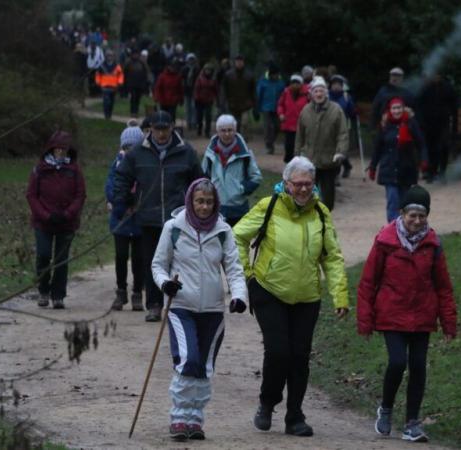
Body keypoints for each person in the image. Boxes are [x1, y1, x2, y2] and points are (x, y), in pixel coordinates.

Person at [233, 156, 349, 437]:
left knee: (300, 357)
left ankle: (295, 416)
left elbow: (331, 257)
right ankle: (267, 401)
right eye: (298, 184)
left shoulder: (321, 213)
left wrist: (340, 295)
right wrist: (246, 276)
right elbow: (236, 236)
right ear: (286, 184)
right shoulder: (268, 207)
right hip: (269, 290)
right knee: (278, 352)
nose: (304, 190)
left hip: (307, 296)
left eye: (309, 184)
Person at [356, 185, 457, 443]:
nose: (416, 220)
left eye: (422, 216)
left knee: (419, 366)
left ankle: (412, 421)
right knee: (398, 362)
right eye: (412, 215)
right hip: (391, 313)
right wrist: (365, 319)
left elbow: (443, 286)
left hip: (422, 315)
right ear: (402, 214)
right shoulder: (385, 242)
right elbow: (368, 281)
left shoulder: (433, 245)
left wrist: (448, 321)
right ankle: (386, 408)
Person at [152, 178, 248, 442]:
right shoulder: (173, 228)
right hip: (180, 306)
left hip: (213, 310)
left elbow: (234, 268)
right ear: (190, 201)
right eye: (199, 201)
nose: (204, 207)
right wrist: (165, 284)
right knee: (189, 359)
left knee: (204, 365)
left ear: (215, 203)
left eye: (209, 202)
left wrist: (239, 296)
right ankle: (179, 418)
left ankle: (195, 420)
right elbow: (158, 265)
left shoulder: (223, 230)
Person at [113, 111, 203, 322]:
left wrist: (196, 208)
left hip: (178, 218)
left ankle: (181, 306)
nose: (161, 134)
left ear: (172, 127)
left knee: (181, 262)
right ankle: (154, 304)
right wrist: (126, 201)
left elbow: (198, 181)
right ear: (150, 129)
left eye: (165, 128)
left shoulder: (186, 152)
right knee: (153, 262)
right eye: (157, 129)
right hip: (148, 217)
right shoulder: (137, 153)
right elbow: (122, 177)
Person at [26, 131, 86, 309]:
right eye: (57, 149)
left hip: (66, 222)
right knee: (43, 255)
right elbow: (31, 195)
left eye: (64, 149)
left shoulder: (74, 170)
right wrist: (45, 215)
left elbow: (80, 195)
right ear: (51, 150)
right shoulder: (39, 169)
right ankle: (43, 290)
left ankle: (58, 294)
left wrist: (68, 214)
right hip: (43, 221)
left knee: (61, 259)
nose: (60, 152)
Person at [105, 122, 146, 311]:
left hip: (139, 219)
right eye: (126, 147)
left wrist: (137, 204)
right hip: (120, 218)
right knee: (121, 256)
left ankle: (138, 292)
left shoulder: (144, 164)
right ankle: (121, 291)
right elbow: (111, 188)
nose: (129, 151)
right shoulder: (117, 165)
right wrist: (121, 203)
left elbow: (147, 189)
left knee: (139, 258)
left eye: (133, 147)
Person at [368, 97, 428, 222]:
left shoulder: (411, 123)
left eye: (399, 108)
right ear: (390, 110)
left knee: (404, 201)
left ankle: (404, 225)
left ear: (403, 108)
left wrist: (423, 160)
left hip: (406, 169)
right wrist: (373, 167)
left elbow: (421, 143)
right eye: (394, 108)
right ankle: (393, 227)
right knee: (392, 200)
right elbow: (377, 148)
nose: (396, 111)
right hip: (389, 169)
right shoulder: (385, 126)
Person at [294, 77, 348, 211]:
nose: (319, 94)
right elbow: (299, 135)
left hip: (329, 160)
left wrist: (340, 152)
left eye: (321, 91)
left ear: (326, 93)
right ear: (311, 94)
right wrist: (296, 156)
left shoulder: (336, 110)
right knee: (306, 194)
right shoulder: (305, 111)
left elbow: (342, 134)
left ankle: (325, 217)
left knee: (328, 198)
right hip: (309, 161)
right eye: (316, 91)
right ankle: (309, 219)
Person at [201, 115, 262, 226]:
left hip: (239, 208)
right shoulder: (210, 153)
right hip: (215, 207)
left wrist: (241, 189)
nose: (227, 134)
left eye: (230, 130)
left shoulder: (245, 154)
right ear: (217, 132)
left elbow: (256, 177)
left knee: (237, 241)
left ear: (235, 130)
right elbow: (203, 176)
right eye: (223, 130)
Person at [416, 73, 459, 183]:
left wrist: (454, 125)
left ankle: (442, 173)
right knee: (431, 148)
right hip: (428, 123)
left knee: (443, 147)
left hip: (443, 123)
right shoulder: (426, 88)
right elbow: (419, 106)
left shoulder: (448, 88)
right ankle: (431, 172)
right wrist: (421, 122)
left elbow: (454, 107)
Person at [370, 67, 416, 132]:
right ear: (390, 76)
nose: (394, 78)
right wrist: (373, 126)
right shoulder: (383, 91)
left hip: (402, 126)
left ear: (402, 78)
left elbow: (413, 110)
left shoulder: (407, 93)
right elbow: (375, 108)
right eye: (393, 75)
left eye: (397, 76)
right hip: (386, 124)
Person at [328, 74, 357, 179]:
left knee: (341, 150)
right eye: (334, 84)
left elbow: (351, 112)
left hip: (344, 127)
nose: (336, 86)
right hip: (329, 126)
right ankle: (344, 167)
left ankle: (336, 174)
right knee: (332, 150)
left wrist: (354, 111)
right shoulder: (327, 96)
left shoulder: (346, 97)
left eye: (338, 84)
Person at [277, 74, 308, 163]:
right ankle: (289, 163)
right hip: (288, 123)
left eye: (297, 83)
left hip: (301, 124)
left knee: (300, 145)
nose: (295, 85)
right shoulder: (286, 92)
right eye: (293, 83)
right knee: (289, 145)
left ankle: (300, 162)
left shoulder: (307, 94)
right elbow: (280, 105)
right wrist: (281, 114)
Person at [256, 63, 285, 154]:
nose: (276, 76)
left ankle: (271, 141)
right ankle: (269, 145)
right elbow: (258, 95)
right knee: (268, 127)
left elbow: (284, 95)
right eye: (274, 74)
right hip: (266, 107)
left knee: (277, 126)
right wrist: (257, 108)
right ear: (271, 74)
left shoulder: (281, 82)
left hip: (277, 108)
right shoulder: (263, 81)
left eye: (277, 74)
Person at [222, 55, 256, 133]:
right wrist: (224, 101)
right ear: (235, 63)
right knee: (234, 123)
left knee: (245, 123)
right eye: (237, 62)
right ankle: (236, 138)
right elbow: (224, 89)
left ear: (243, 63)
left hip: (246, 104)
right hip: (232, 104)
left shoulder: (249, 75)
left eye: (241, 61)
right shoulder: (228, 75)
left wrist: (254, 104)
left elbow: (253, 91)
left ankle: (244, 139)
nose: (239, 63)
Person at [95, 49, 124, 120]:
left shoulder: (117, 66)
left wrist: (120, 82)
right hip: (104, 86)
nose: (109, 57)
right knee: (106, 101)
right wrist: (98, 82)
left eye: (111, 56)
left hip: (114, 87)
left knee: (111, 102)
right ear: (106, 56)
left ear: (113, 57)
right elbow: (98, 75)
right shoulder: (102, 66)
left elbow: (121, 75)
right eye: (108, 56)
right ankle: (106, 115)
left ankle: (109, 114)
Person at [123, 49, 151, 117]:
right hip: (131, 83)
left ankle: (136, 111)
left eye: (136, 54)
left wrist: (147, 81)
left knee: (138, 98)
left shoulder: (142, 62)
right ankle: (132, 112)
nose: (135, 55)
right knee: (133, 97)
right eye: (134, 54)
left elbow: (147, 71)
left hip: (140, 83)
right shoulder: (129, 62)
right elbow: (124, 71)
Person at [193, 63, 218, 137]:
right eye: (206, 70)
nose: (208, 71)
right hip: (200, 100)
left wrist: (216, 98)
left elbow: (216, 90)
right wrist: (196, 98)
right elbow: (196, 89)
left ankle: (207, 131)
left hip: (209, 100)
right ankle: (199, 129)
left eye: (209, 70)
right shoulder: (200, 78)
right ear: (204, 70)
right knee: (199, 116)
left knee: (208, 117)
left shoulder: (213, 79)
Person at [182, 53, 200, 131]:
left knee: (193, 107)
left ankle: (193, 123)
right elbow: (182, 79)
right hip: (187, 90)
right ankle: (188, 122)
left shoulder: (197, 69)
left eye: (192, 59)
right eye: (190, 59)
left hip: (194, 90)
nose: (191, 61)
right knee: (187, 107)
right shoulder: (184, 69)